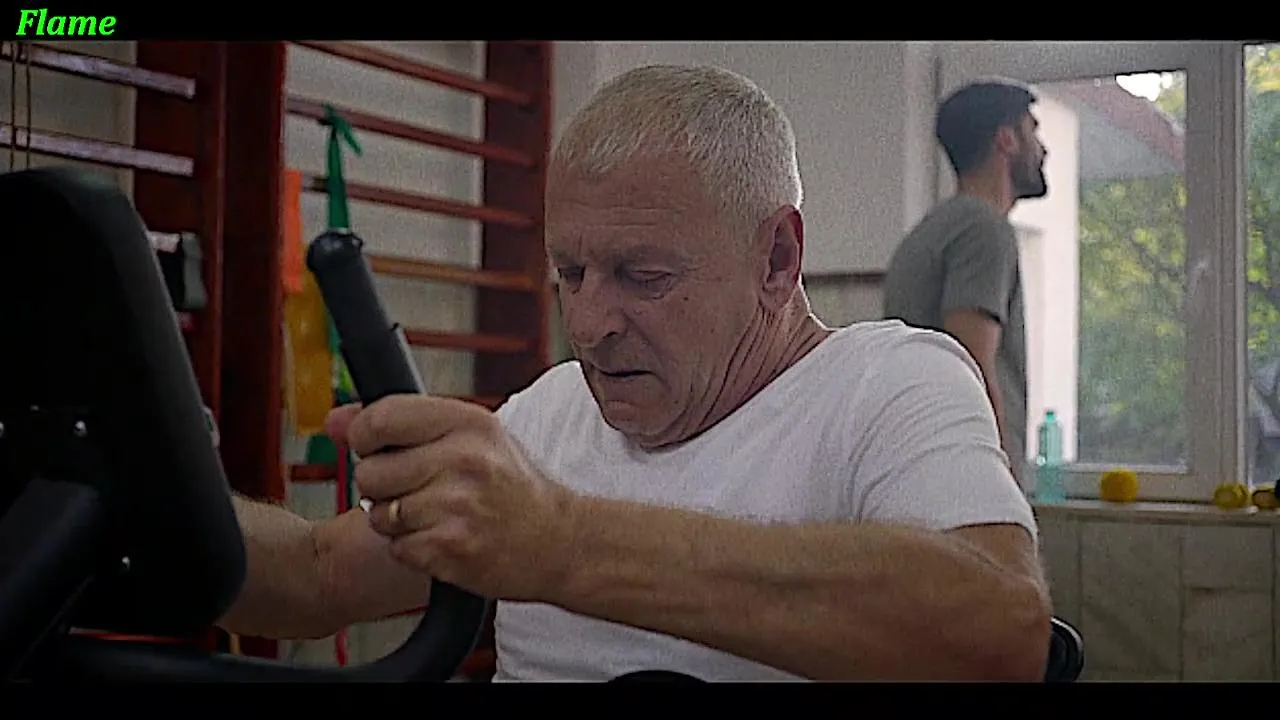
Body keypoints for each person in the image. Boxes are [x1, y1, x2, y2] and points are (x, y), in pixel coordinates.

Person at [216, 65, 1052, 682]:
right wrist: (163, 490)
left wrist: (561, 544)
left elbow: (1001, 635)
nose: (589, 325)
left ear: (776, 258)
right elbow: (316, 576)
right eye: (570, 274)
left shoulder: (889, 385)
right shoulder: (547, 415)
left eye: (642, 276)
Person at [882, 79, 1048, 488]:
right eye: (1033, 130)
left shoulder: (931, 231)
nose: (1043, 149)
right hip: (965, 481)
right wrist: (1002, 486)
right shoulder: (983, 229)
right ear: (1006, 140)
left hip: (926, 470)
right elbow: (972, 364)